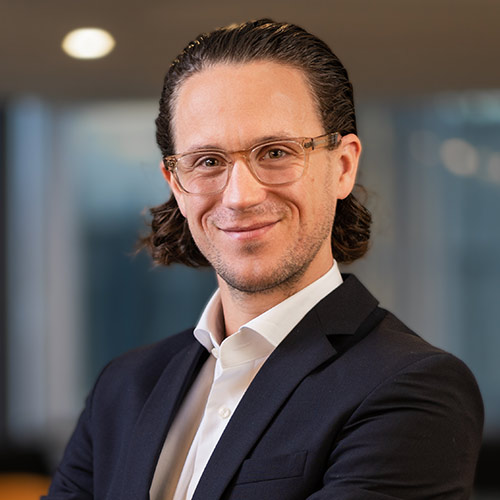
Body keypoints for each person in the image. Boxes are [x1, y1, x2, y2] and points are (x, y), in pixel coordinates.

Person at [43, 19, 483, 500]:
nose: (240, 197)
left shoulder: (412, 387)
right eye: (208, 161)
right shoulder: (124, 388)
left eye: (275, 152)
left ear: (342, 166)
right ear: (176, 184)